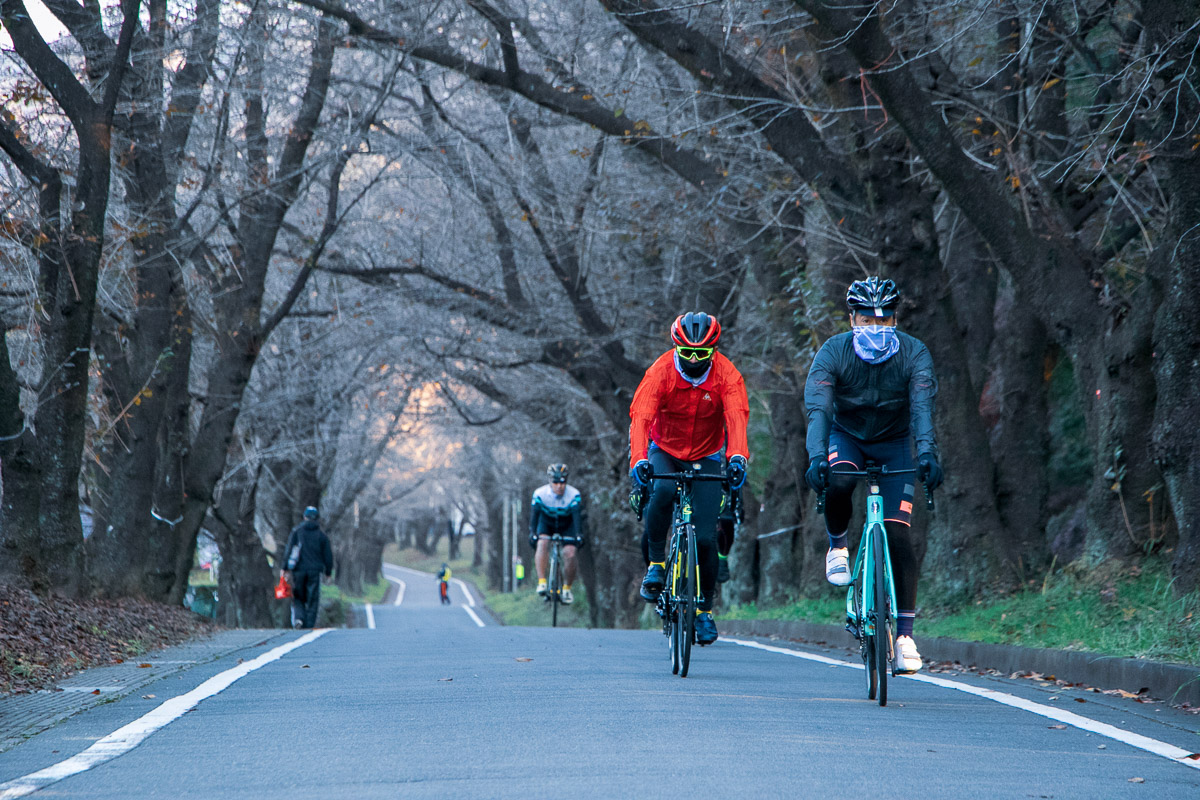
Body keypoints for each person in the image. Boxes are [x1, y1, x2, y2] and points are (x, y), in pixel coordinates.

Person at [803, 276, 944, 674]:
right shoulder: (833, 352)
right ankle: (837, 545)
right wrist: (817, 457)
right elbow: (819, 409)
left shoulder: (915, 353)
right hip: (846, 436)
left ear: (896, 320)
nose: (876, 329)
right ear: (852, 319)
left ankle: (904, 636)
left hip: (895, 442)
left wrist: (928, 454)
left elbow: (921, 410)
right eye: (867, 320)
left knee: (899, 531)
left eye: (884, 321)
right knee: (842, 478)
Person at [629, 312, 749, 645]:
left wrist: (737, 456)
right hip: (664, 447)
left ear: (714, 351)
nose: (694, 360)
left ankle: (704, 611)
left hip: (708, 453)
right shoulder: (660, 372)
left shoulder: (727, 374)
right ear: (676, 348)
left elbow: (737, 417)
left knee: (708, 537)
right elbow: (640, 417)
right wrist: (639, 460)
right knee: (663, 490)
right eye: (687, 353)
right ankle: (655, 564)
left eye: (702, 354)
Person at [528, 463, 585, 604]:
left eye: (563, 482)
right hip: (547, 523)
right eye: (556, 482)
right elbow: (534, 516)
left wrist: (579, 534)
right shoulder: (540, 494)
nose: (559, 486)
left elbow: (577, 516)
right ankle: (542, 582)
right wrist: (532, 532)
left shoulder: (573, 494)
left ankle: (566, 588)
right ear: (549, 481)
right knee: (542, 543)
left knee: (570, 553)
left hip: (567, 524)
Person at [281, 506, 334, 629]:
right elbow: (328, 555)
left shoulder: (297, 532)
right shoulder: (322, 536)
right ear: (317, 519)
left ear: (304, 517)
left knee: (298, 596)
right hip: (315, 572)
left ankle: (299, 618)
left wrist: (284, 568)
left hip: (298, 570)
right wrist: (328, 572)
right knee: (313, 599)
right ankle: (309, 625)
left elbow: (289, 550)